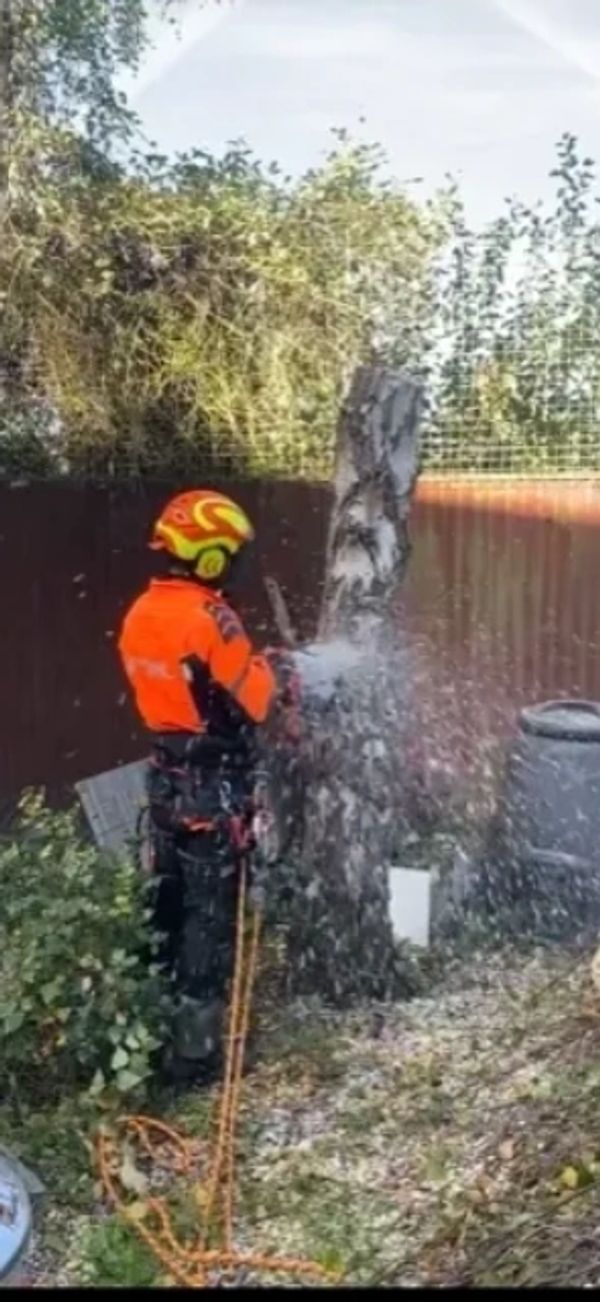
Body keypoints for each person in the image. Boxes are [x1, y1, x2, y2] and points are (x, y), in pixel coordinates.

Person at [117, 488, 292, 1080]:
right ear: (210, 558)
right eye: (232, 555)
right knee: (208, 921)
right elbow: (261, 700)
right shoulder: (210, 617)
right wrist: (277, 670)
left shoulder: (141, 612)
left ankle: (144, 1034)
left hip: (164, 783)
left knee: (163, 907)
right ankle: (195, 1055)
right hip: (213, 790)